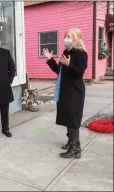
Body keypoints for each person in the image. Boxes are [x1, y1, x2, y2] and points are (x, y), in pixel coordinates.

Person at [42, 28, 87, 159]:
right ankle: (71, 142)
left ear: (75, 39)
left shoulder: (80, 54)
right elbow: (59, 71)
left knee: (73, 117)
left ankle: (75, 149)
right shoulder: (66, 52)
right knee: (68, 116)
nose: (65, 38)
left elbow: (79, 73)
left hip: (74, 91)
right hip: (65, 89)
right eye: (65, 36)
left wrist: (69, 64)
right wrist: (50, 59)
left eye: (69, 36)